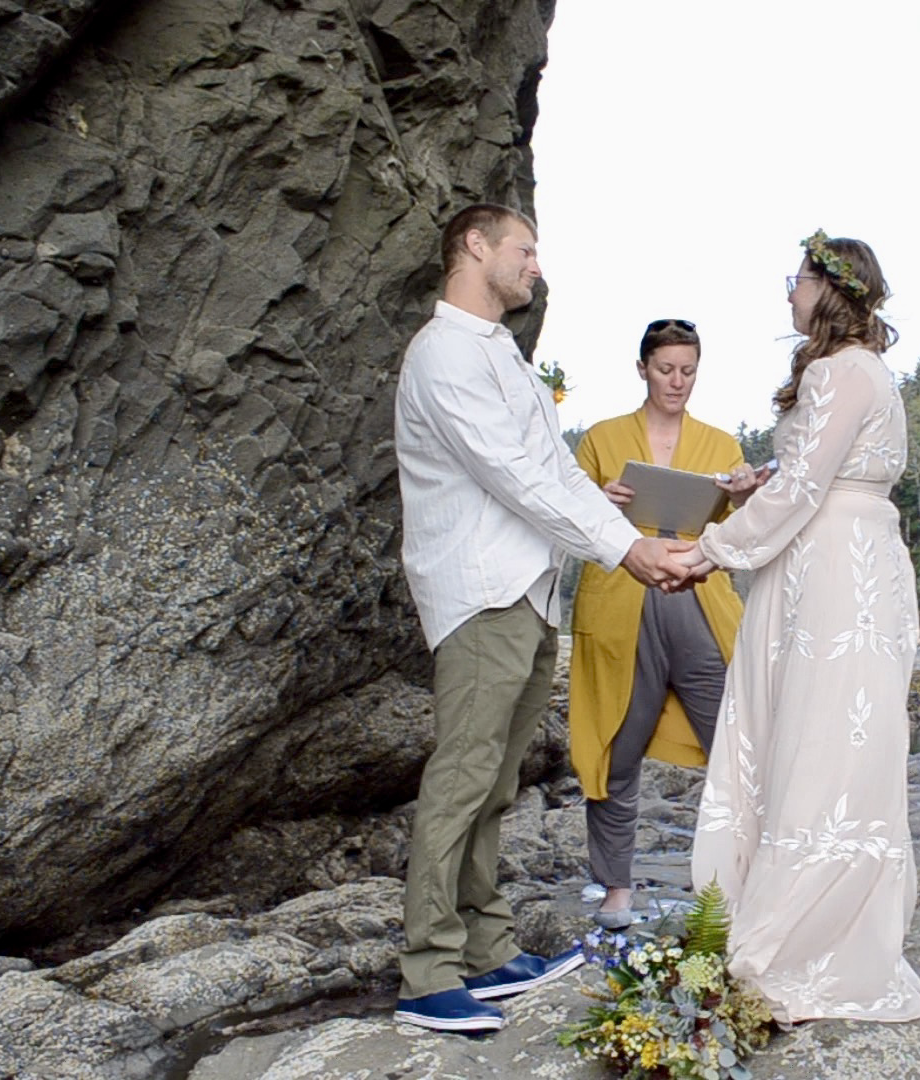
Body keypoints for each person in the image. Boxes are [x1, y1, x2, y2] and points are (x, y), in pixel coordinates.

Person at [391, 203, 694, 1035]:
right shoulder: (443, 352)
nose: (534, 265)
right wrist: (627, 550)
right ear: (475, 247)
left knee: (493, 782)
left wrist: (608, 520)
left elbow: (549, 474)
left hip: (528, 589)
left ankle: (487, 953)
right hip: (479, 590)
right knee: (460, 778)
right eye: (523, 249)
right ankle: (427, 972)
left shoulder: (503, 356)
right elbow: (513, 475)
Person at [671, 231, 920, 1023]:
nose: (789, 293)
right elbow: (820, 469)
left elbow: (812, 485)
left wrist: (707, 551)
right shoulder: (861, 372)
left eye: (799, 279)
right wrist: (761, 478)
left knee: (822, 737)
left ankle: (798, 937)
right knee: (821, 732)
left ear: (831, 288)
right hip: (839, 562)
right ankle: (797, 912)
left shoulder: (839, 370)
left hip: (832, 576)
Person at [568, 319, 771, 929]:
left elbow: (748, 526)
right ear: (642, 368)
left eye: (687, 370)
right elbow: (566, 512)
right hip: (619, 601)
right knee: (615, 743)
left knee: (733, 742)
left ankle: (749, 876)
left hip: (700, 598)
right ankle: (615, 887)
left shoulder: (720, 443)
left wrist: (741, 497)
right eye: (665, 369)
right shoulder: (601, 439)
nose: (677, 381)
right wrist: (596, 501)